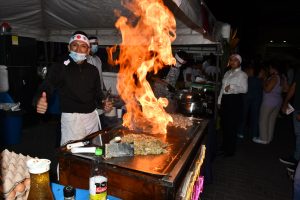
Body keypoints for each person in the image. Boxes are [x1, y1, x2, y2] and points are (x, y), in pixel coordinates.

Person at [34, 31, 113, 145]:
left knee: (95, 151)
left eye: (83, 46)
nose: (78, 49)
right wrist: (40, 99)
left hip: (92, 118)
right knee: (72, 156)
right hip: (72, 120)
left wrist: (103, 103)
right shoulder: (60, 67)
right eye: (75, 45)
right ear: (69, 47)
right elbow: (47, 85)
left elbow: (97, 93)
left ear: (88, 50)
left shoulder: (93, 70)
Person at [217, 54, 248, 156]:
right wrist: (219, 101)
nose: (232, 62)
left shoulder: (242, 74)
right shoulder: (227, 73)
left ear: (239, 62)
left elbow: (244, 89)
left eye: (235, 60)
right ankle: (224, 146)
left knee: (231, 127)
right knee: (225, 125)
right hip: (226, 100)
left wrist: (232, 87)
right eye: (231, 60)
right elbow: (222, 88)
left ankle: (229, 151)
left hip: (234, 101)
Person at [253, 61, 283, 144]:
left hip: (269, 101)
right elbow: (286, 89)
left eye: (270, 68)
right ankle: (268, 138)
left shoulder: (274, 77)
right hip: (278, 101)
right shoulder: (281, 77)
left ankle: (263, 139)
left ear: (273, 68)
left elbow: (267, 89)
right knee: (271, 120)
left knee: (263, 119)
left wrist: (263, 82)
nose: (269, 70)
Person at [280, 69, 300, 167]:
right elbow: (294, 87)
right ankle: (296, 158)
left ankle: (296, 160)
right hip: (296, 107)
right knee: (298, 134)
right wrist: (286, 101)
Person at [238, 62, 263, 139]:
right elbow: (263, 79)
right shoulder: (261, 71)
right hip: (256, 93)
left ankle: (241, 132)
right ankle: (254, 134)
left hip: (247, 93)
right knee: (255, 115)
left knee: (244, 114)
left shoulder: (246, 70)